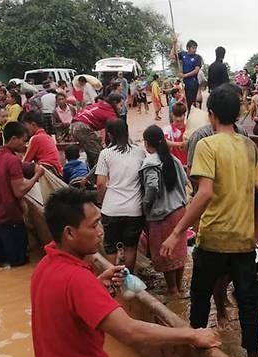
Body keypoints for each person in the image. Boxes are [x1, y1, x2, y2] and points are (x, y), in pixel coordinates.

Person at [30, 187, 221, 357]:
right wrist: (192, 335)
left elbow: (64, 310)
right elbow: (130, 331)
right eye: (93, 225)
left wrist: (96, 285)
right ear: (69, 233)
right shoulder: (77, 279)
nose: (100, 232)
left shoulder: (45, 265)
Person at [160, 84, 258, 357]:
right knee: (248, 304)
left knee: (200, 297)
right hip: (244, 239)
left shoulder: (207, 145)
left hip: (214, 237)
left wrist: (177, 232)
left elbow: (204, 193)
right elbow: (247, 187)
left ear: (212, 115)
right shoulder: (250, 147)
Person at [0, 121, 44, 268]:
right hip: (11, 219)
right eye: (23, 140)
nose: (24, 144)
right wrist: (36, 176)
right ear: (13, 139)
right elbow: (19, 190)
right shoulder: (13, 161)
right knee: (17, 265)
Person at [140, 125, 188, 295]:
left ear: (146, 144)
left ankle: (173, 290)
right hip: (180, 211)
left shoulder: (150, 162)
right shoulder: (173, 160)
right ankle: (180, 287)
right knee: (179, 250)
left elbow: (152, 187)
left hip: (162, 214)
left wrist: (146, 205)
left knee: (165, 253)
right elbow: (185, 182)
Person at [95, 119, 145, 271]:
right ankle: (127, 279)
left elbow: (101, 184)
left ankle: (113, 281)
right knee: (130, 247)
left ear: (109, 135)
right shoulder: (139, 152)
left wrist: (101, 201)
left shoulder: (105, 154)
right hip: (134, 209)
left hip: (111, 209)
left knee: (110, 247)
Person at [72, 93, 124, 168]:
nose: (121, 108)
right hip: (83, 127)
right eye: (120, 105)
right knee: (100, 157)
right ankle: (96, 177)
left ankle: (92, 172)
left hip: (75, 125)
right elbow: (115, 133)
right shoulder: (110, 113)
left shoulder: (101, 105)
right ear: (115, 102)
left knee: (91, 153)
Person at [22, 111, 63, 177]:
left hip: (48, 170)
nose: (25, 129)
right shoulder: (48, 137)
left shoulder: (36, 138)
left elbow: (26, 161)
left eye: (26, 125)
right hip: (57, 171)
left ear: (33, 124)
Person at [171, 38, 203, 114]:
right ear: (188, 48)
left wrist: (184, 75)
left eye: (196, 48)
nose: (195, 50)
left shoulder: (197, 57)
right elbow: (172, 56)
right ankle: (190, 115)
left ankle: (192, 115)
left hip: (193, 83)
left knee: (191, 103)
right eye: (193, 48)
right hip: (186, 84)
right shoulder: (183, 54)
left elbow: (196, 70)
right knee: (187, 102)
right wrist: (174, 44)